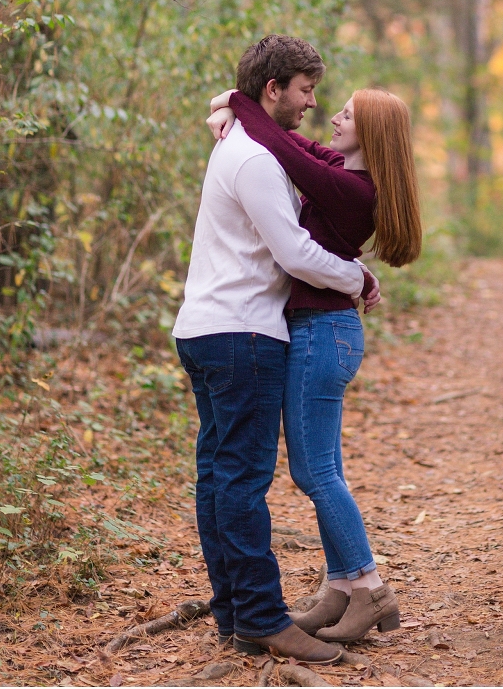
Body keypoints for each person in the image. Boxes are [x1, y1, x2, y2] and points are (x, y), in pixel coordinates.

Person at [173, 36, 381, 666]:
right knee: (240, 480)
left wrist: (226, 104)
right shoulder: (257, 159)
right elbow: (292, 254)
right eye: (306, 91)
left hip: (206, 328)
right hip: (243, 334)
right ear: (274, 90)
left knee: (217, 477)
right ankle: (264, 618)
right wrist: (359, 278)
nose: (312, 104)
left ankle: (235, 616)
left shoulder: (244, 145)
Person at [206, 81, 422, 643]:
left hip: (323, 333)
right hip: (320, 329)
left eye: (346, 116)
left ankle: (371, 588)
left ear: (370, 134)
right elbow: (293, 145)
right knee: (325, 469)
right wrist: (233, 105)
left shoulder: (351, 190)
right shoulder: (344, 174)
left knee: (314, 472)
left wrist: (240, 99)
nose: (331, 119)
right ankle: (342, 587)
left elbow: (280, 150)